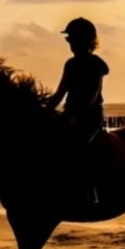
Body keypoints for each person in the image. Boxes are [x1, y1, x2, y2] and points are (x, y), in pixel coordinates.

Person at [48, 17, 109, 202]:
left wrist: (76, 116)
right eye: (69, 39)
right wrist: (45, 109)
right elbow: (60, 92)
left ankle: (91, 191)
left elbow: (91, 96)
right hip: (70, 116)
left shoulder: (96, 64)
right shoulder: (70, 64)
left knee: (81, 148)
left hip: (89, 118)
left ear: (86, 41)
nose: (71, 44)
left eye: (73, 39)